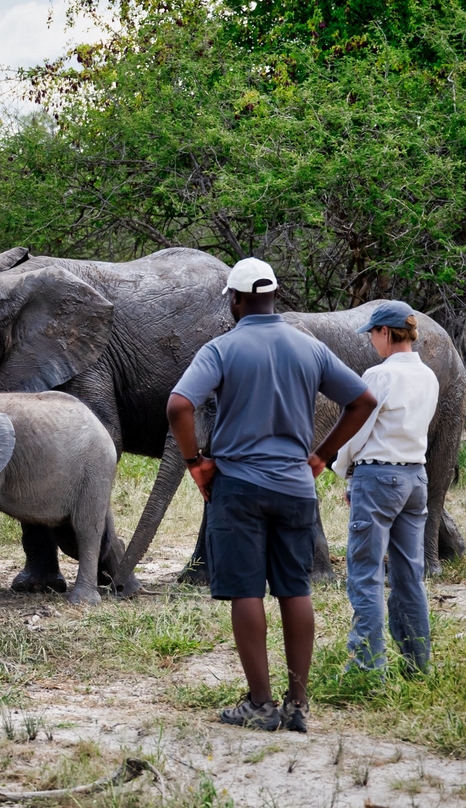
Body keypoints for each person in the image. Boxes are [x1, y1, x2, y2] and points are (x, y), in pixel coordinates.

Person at [167, 258, 376, 733]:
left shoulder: (220, 349)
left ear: (236, 300)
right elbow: (362, 399)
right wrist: (322, 455)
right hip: (297, 489)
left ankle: (259, 704)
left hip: (238, 488)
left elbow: (179, 404)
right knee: (295, 589)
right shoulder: (310, 347)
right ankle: (298, 705)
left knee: (246, 591)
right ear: (275, 294)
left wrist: (195, 462)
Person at [331, 302, 437, 676]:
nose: (372, 340)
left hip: (378, 478)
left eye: (374, 333)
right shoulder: (429, 376)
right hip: (415, 480)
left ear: (387, 333)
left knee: (365, 572)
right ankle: (417, 663)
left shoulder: (378, 375)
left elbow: (357, 431)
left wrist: (344, 469)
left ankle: (366, 668)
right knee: (410, 575)